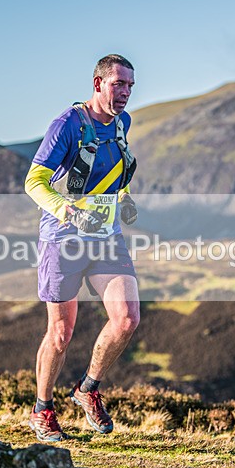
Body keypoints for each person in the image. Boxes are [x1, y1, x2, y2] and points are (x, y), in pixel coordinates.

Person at [24, 54, 140, 442]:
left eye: (129, 86)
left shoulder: (122, 123)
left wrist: (123, 198)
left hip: (106, 237)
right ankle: (42, 410)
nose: (124, 93)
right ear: (98, 84)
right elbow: (35, 182)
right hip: (63, 238)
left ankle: (87, 388)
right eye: (117, 84)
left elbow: (113, 171)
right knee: (60, 332)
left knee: (126, 319)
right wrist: (68, 212)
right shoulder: (67, 125)